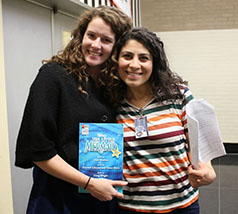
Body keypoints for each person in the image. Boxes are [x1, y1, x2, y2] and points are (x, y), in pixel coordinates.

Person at [15, 6, 132, 214]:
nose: (95, 45)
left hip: (103, 197)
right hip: (58, 199)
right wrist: (88, 183)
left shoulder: (115, 84)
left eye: (106, 40)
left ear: (118, 46)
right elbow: (38, 149)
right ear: (81, 35)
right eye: (91, 35)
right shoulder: (54, 76)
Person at [109, 28, 216, 214]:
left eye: (143, 58)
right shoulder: (110, 102)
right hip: (131, 207)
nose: (134, 65)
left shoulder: (178, 95)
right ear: (117, 60)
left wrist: (207, 170)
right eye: (127, 56)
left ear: (154, 63)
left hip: (182, 205)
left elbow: (197, 143)